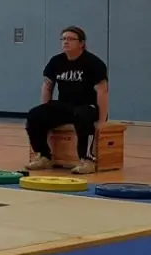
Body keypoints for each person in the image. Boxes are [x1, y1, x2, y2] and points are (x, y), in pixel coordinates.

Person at [25, 25, 109, 175]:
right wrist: (45, 110)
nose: (66, 42)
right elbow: (47, 87)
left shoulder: (93, 63)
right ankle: (44, 156)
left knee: (83, 115)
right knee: (34, 115)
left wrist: (102, 121)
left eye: (70, 39)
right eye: (63, 39)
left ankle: (87, 160)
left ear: (82, 43)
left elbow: (102, 91)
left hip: (88, 107)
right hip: (65, 106)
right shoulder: (56, 61)